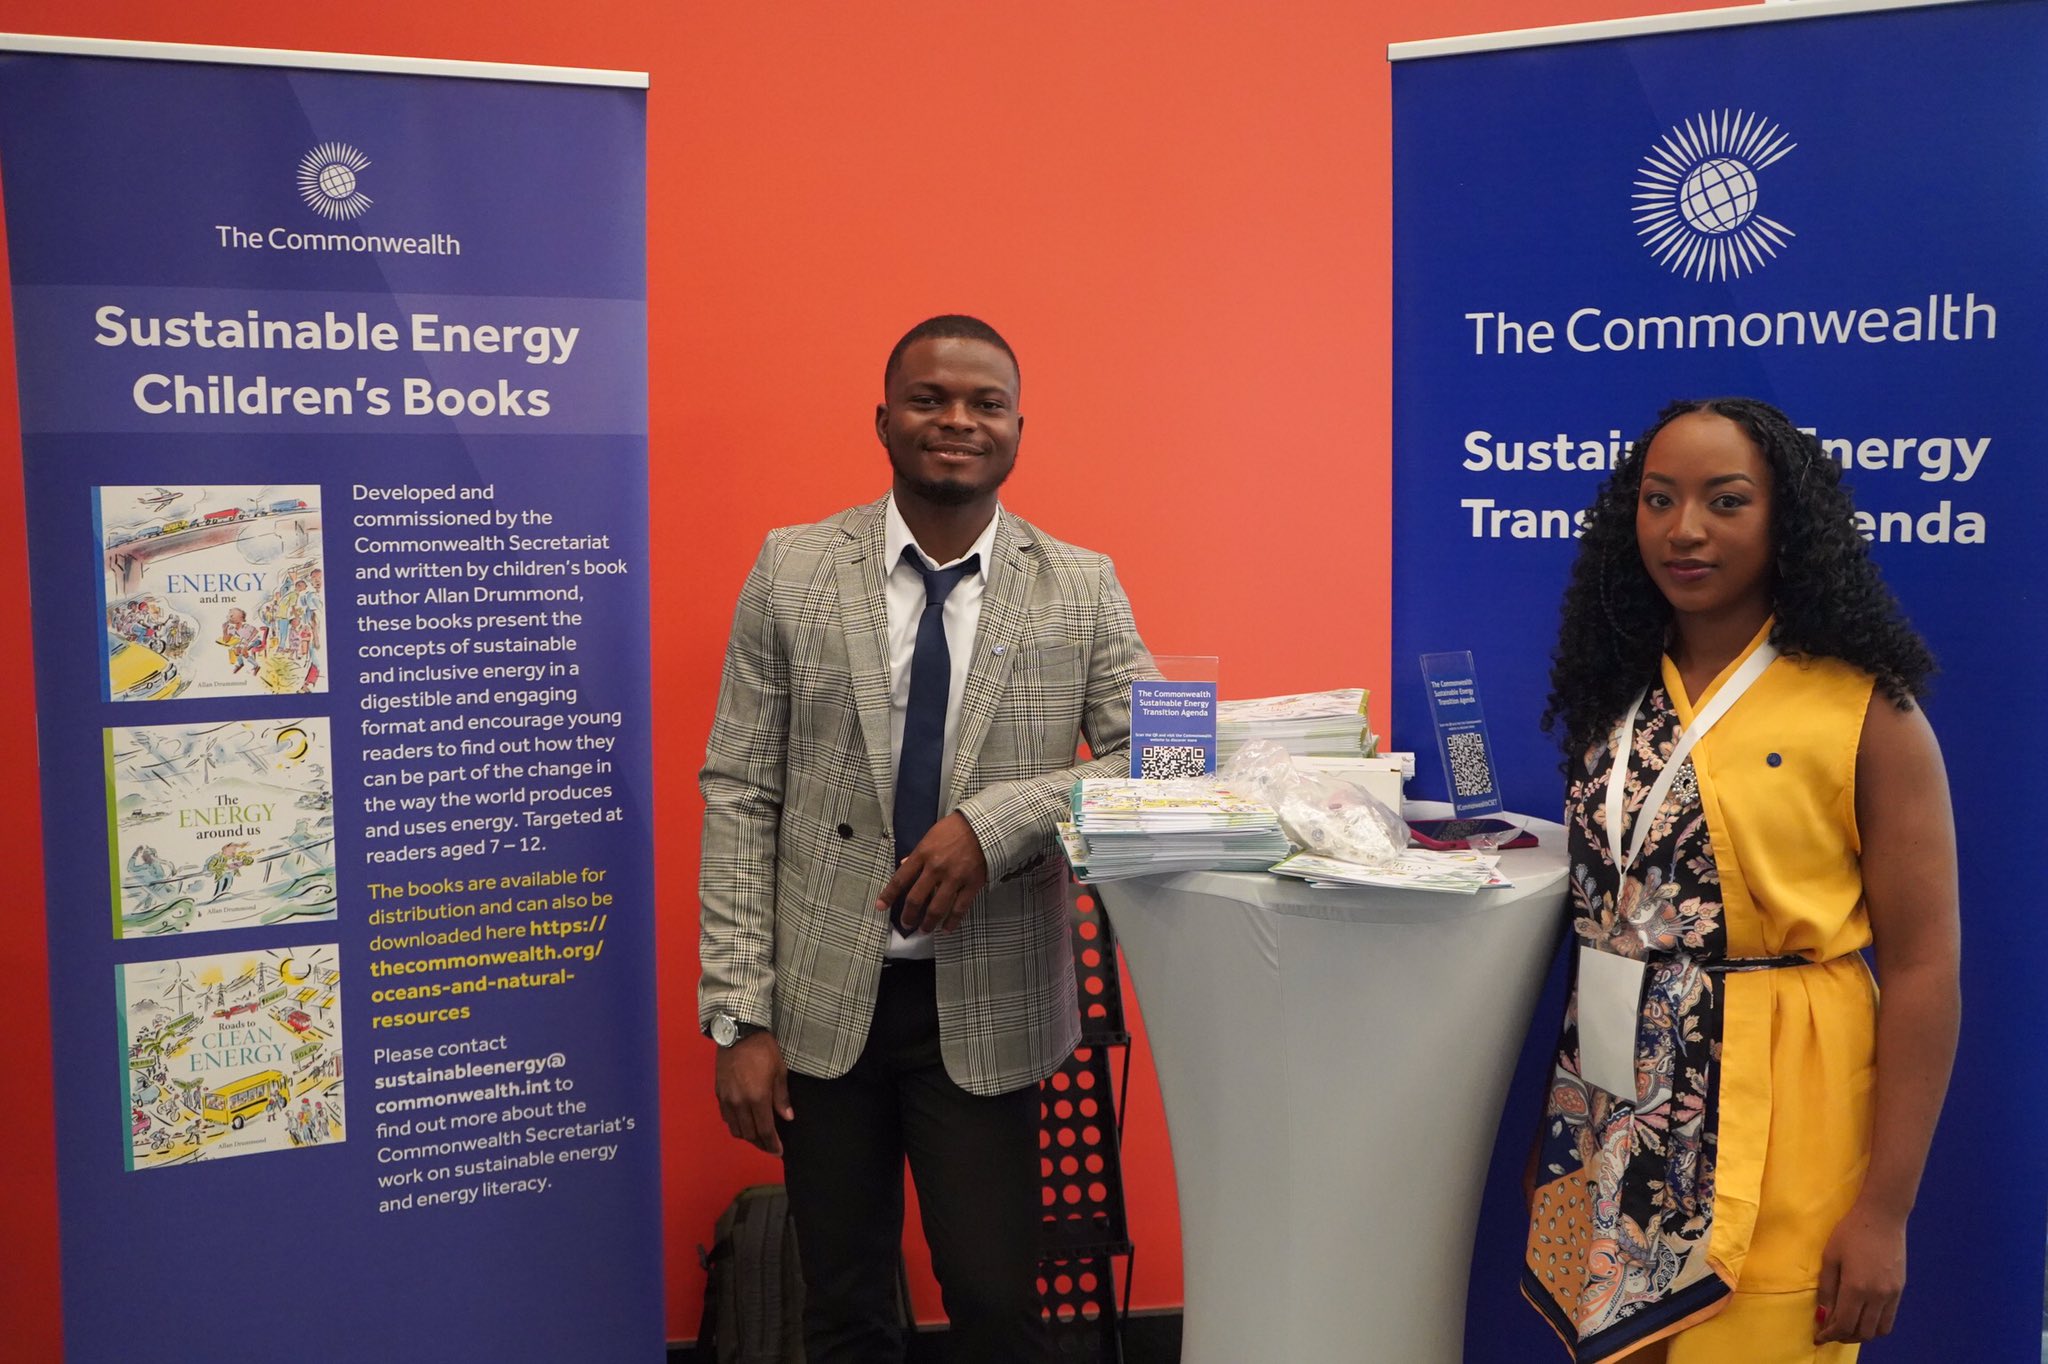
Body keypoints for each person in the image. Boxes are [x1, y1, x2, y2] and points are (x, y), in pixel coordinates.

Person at [697, 315, 1155, 1364]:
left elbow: (1166, 761)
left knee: (996, 1303)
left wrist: (995, 825)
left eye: (983, 402)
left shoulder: (1078, 584)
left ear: (1017, 429)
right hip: (818, 1007)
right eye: (929, 398)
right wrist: (738, 1017)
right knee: (844, 1305)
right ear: (883, 419)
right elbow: (738, 791)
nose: (955, 420)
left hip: (988, 1004)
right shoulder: (793, 566)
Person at [1522, 398, 1959, 1362]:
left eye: (1726, 502)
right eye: (1658, 499)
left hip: (1788, 1102)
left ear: (1785, 521)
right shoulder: (1618, 696)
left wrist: (1885, 1210)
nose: (1685, 530)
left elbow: (1927, 968)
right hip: (1618, 1119)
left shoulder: (1866, 711)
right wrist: (1576, 1135)